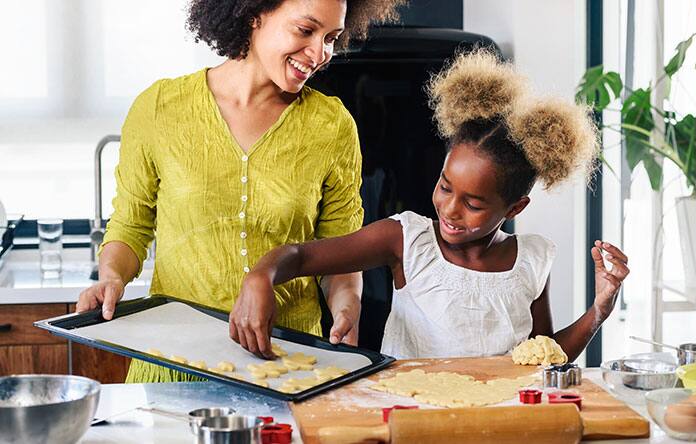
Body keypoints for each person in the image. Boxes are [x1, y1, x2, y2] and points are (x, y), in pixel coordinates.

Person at [76, 0, 405, 381]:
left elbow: (340, 251)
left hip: (289, 366)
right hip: (176, 362)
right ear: (254, 14)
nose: (320, 53)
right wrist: (111, 277)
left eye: (331, 38)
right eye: (305, 31)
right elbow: (130, 227)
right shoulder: (159, 109)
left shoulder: (332, 126)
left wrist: (347, 304)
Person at [233, 49, 630, 360]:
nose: (450, 208)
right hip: (412, 415)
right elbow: (301, 256)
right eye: (445, 186)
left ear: (514, 209)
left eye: (473, 203)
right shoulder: (406, 240)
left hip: (498, 421)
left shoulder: (532, 258)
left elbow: (543, 356)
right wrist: (262, 275)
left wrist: (599, 308)